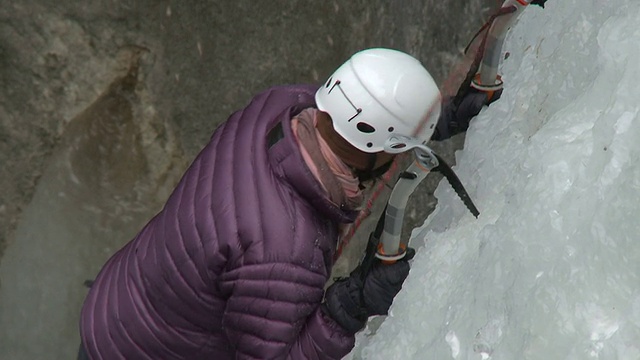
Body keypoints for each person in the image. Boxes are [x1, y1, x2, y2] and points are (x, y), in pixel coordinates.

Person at [78, 47, 496, 360]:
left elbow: (356, 116)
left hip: (123, 300)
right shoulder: (286, 252)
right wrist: (348, 307)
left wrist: (435, 119)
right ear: (383, 145)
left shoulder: (279, 105)